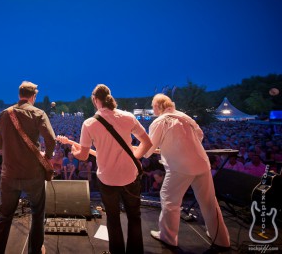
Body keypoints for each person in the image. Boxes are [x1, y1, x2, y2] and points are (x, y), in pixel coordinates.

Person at [70, 84, 152, 254]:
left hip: (107, 178)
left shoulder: (89, 123)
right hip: (130, 175)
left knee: (113, 219)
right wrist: (135, 158)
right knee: (134, 217)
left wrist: (74, 152)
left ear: (95, 100)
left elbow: (84, 156)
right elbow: (147, 143)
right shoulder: (128, 117)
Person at [144, 94, 230, 253]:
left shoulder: (160, 121)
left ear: (158, 106)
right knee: (209, 202)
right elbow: (199, 136)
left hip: (180, 167)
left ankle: (168, 237)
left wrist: (149, 149)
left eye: (153, 105)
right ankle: (221, 239)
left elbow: (148, 149)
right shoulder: (185, 117)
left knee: (170, 200)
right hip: (202, 163)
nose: (152, 108)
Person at [0, 81, 56, 254]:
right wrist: (46, 157)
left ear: (20, 95)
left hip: (9, 174)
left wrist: (12, 154)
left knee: (4, 217)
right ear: (33, 96)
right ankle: (35, 250)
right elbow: (51, 140)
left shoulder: (4, 114)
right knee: (37, 213)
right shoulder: (38, 113)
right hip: (33, 174)